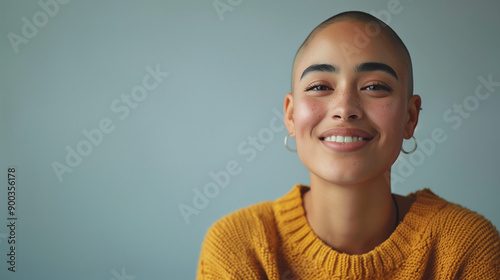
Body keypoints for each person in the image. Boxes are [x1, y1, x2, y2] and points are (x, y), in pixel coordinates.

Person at [196, 11, 500, 279]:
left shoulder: (465, 246)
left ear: (410, 117)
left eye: (374, 87)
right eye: (319, 87)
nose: (345, 108)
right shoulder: (239, 245)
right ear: (290, 115)